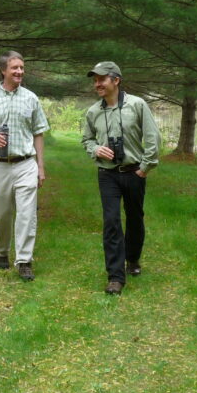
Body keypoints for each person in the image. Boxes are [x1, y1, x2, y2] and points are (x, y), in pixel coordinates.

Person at [81, 61, 160, 295]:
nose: (97, 84)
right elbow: (87, 140)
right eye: (95, 80)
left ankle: (133, 259)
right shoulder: (93, 111)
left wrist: (145, 167)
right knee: (112, 221)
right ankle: (115, 276)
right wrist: (96, 149)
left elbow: (152, 137)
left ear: (116, 80)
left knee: (135, 217)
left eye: (101, 79)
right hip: (107, 175)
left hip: (134, 171)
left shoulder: (137, 105)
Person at [0, 51, 49, 281]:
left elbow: (38, 133)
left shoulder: (31, 98)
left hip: (25, 163)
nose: (19, 72)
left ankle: (24, 260)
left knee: (27, 214)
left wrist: (40, 166)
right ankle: (1, 252)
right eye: (14, 68)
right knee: (0, 214)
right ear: (3, 70)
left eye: (21, 68)